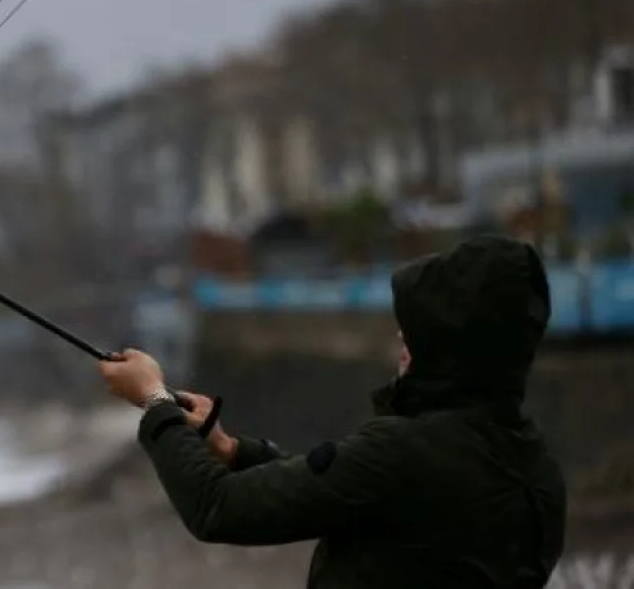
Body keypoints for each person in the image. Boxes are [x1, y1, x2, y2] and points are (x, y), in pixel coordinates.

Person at [99, 234, 566, 588]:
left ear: (453, 345)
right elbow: (356, 495)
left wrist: (155, 400)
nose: (401, 340)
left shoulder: (401, 453)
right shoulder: (537, 470)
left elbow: (218, 507)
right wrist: (233, 450)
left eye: (417, 330)